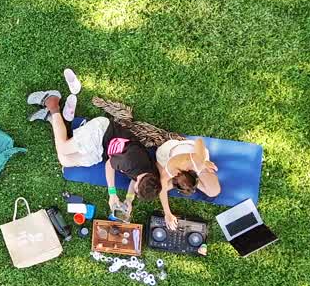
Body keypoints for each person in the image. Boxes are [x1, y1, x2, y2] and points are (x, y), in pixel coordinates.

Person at [30, 86, 159, 222]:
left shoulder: (150, 173)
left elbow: (134, 179)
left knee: (65, 160)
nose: (136, 191)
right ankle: (52, 102)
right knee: (63, 148)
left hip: (102, 151)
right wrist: (112, 193)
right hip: (101, 132)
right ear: (141, 180)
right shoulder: (130, 161)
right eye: (137, 191)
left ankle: (52, 118)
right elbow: (109, 165)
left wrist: (129, 199)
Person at [92, 96, 221, 230]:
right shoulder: (167, 170)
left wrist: (202, 160)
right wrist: (167, 213)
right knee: (168, 183)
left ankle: (189, 181)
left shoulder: (194, 164)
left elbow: (160, 186)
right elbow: (199, 141)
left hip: (192, 160)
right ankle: (187, 180)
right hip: (168, 154)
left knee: (214, 191)